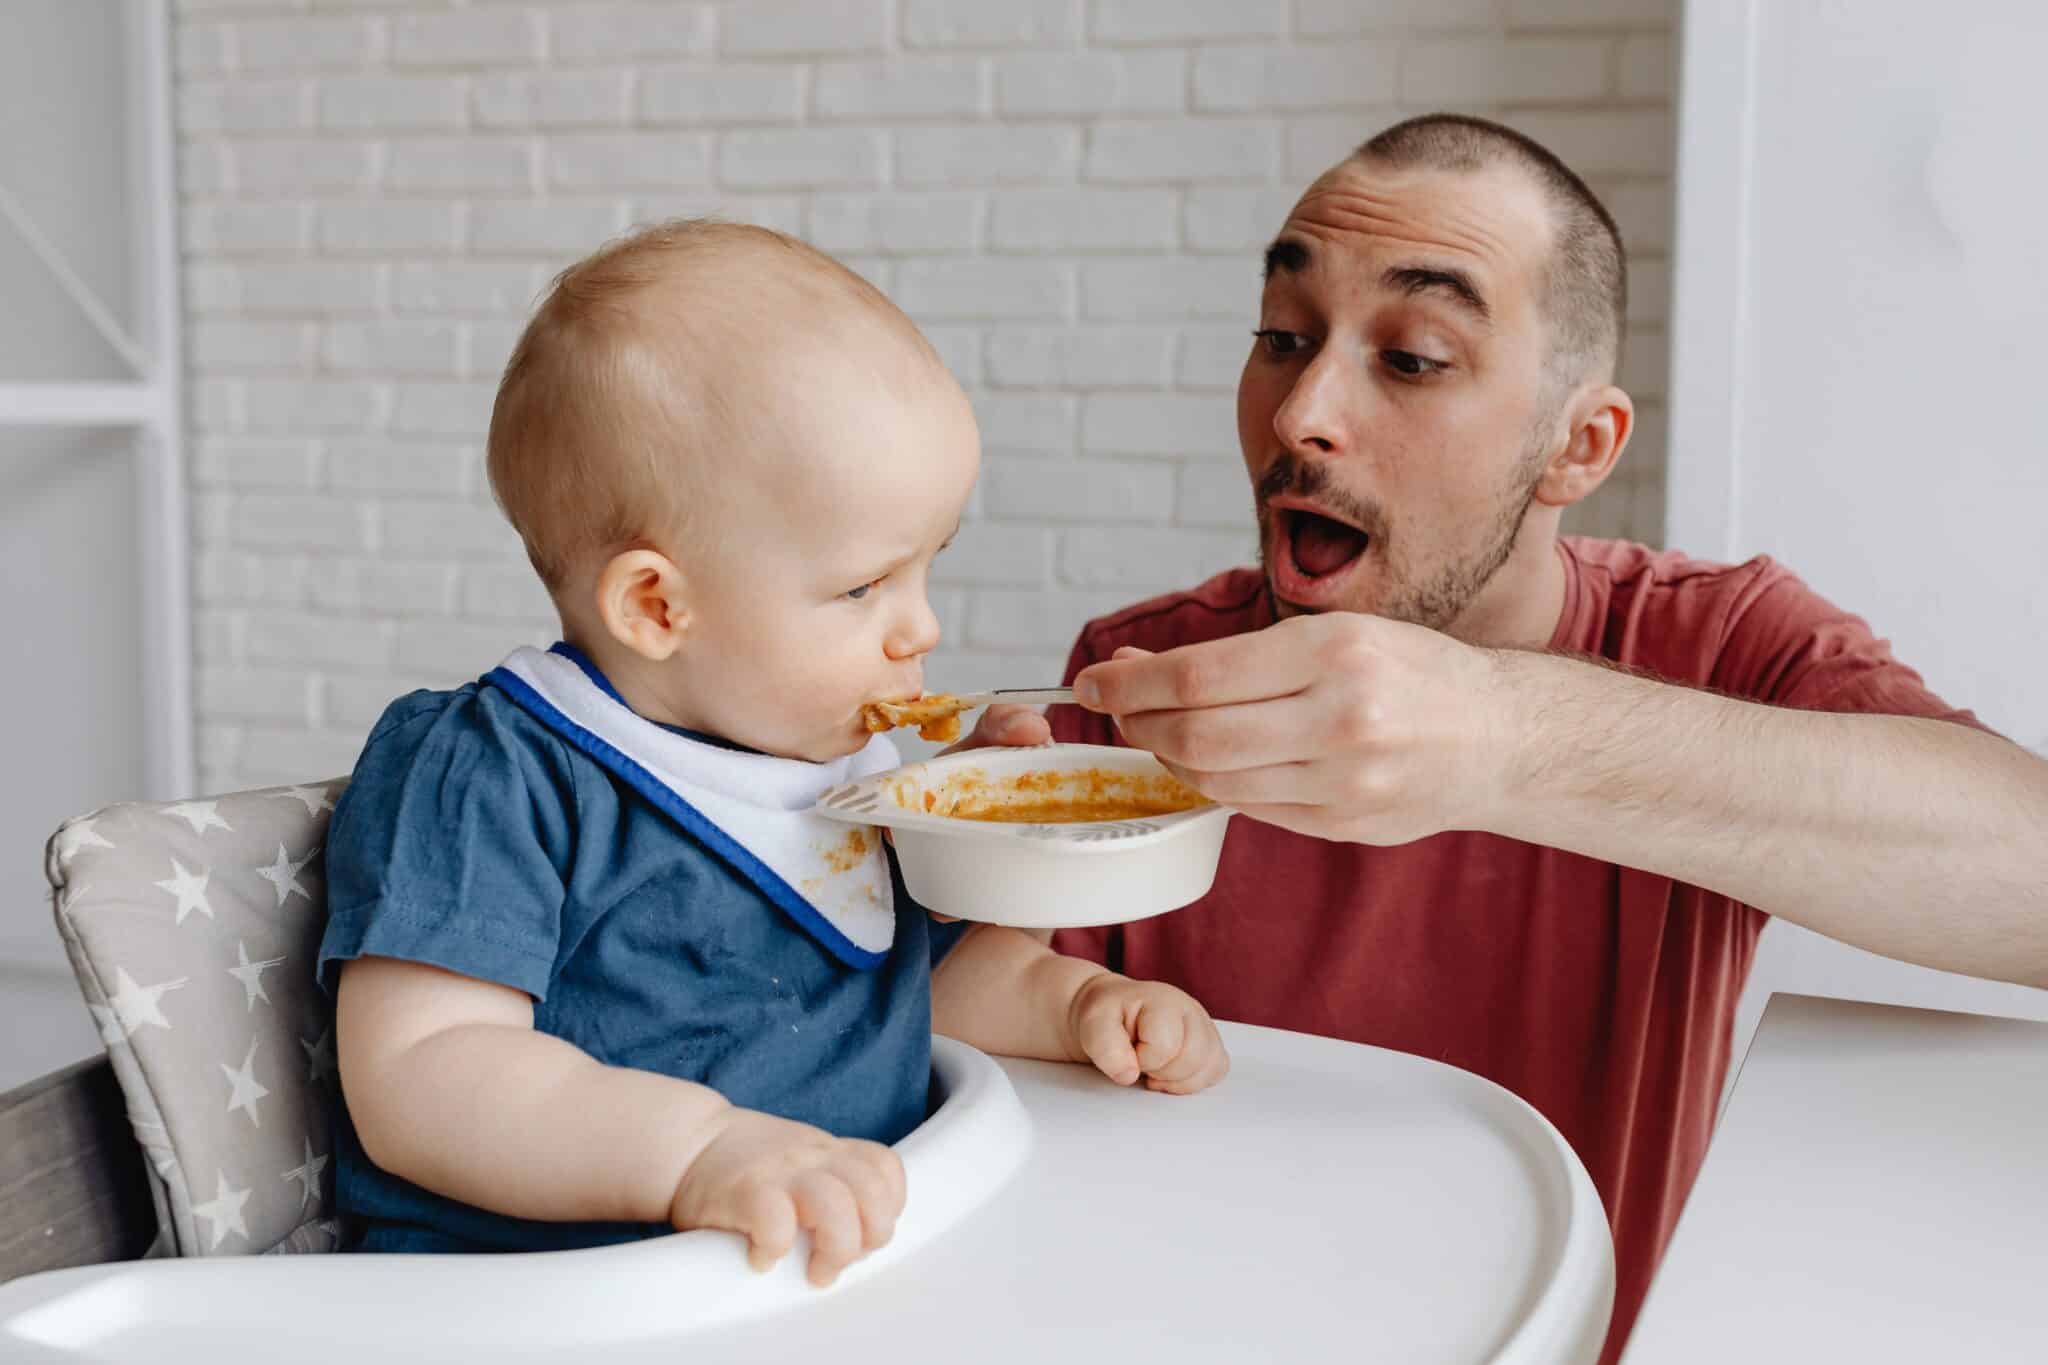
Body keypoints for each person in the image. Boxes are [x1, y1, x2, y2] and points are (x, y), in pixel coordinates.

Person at [961, 114, 2048, 1359]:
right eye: (1281, 337)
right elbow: (1006, 1069)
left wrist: (1507, 739)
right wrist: (960, 874)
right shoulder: (1143, 668)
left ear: (1575, 447)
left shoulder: (1720, 643)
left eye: (1413, 356)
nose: (1300, 414)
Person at [316, 221, 1227, 1286]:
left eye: (925, 570)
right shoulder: (498, 772)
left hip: (834, 1271)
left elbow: (907, 995)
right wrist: (696, 1153)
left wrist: (1074, 1007)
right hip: (554, 1300)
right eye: (861, 588)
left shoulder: (840, 770)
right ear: (658, 604)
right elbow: (424, 1077)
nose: (919, 628)